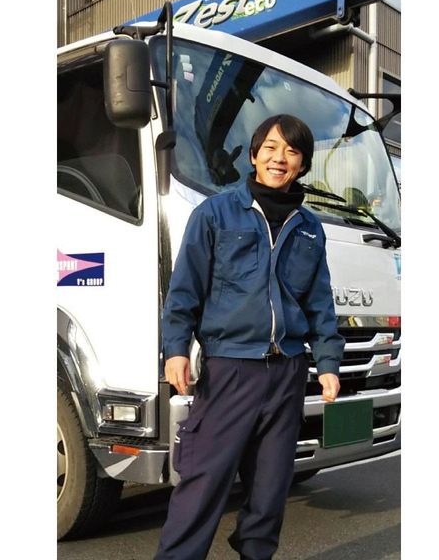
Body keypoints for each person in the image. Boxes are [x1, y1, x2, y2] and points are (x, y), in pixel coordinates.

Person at [155, 114, 343, 560]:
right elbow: (184, 289)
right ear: (255, 155)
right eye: (271, 148)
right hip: (231, 369)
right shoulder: (215, 214)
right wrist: (175, 349)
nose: (280, 158)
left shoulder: (309, 226)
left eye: (292, 151)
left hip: (288, 373)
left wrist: (328, 363)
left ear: (302, 164)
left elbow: (319, 301)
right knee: (205, 480)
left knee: (270, 488)